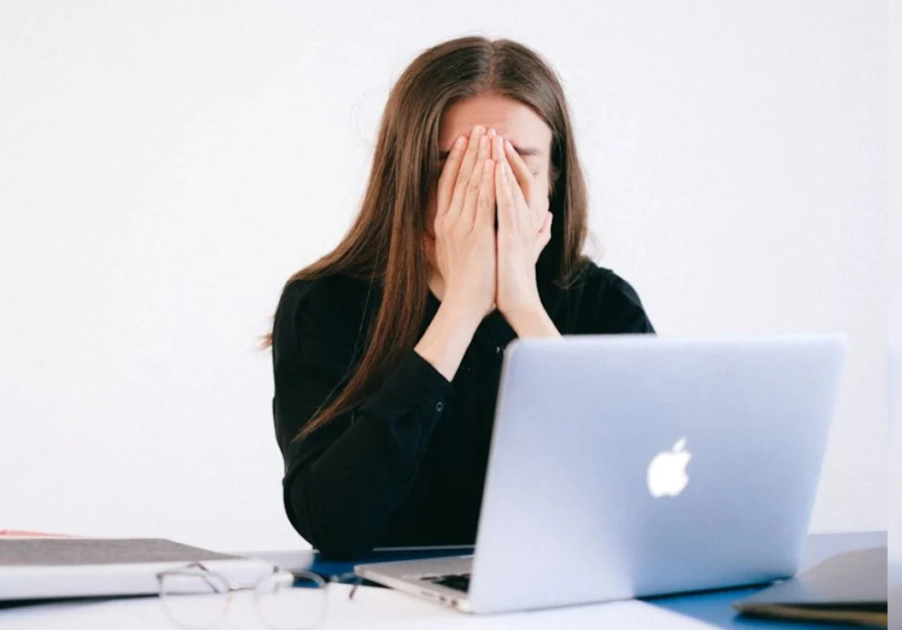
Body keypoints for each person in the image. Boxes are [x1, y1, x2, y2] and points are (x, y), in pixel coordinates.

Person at [268, 36, 654, 559]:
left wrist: (523, 308)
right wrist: (461, 309)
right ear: (408, 178)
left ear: (553, 181)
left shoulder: (604, 304)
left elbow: (640, 504)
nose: (489, 190)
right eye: (456, 166)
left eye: (518, 164)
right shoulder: (323, 305)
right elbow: (333, 522)